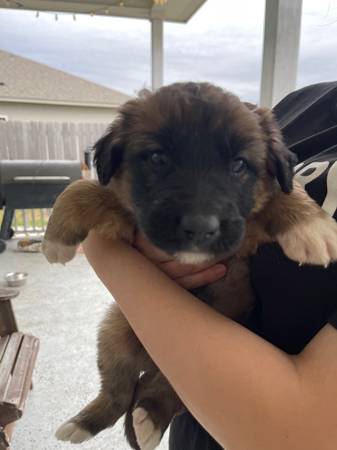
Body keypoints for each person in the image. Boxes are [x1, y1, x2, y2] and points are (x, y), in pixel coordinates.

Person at [82, 82, 337, 450]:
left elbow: (299, 436)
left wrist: (114, 258)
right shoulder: (304, 102)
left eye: (236, 164)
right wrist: (106, 237)